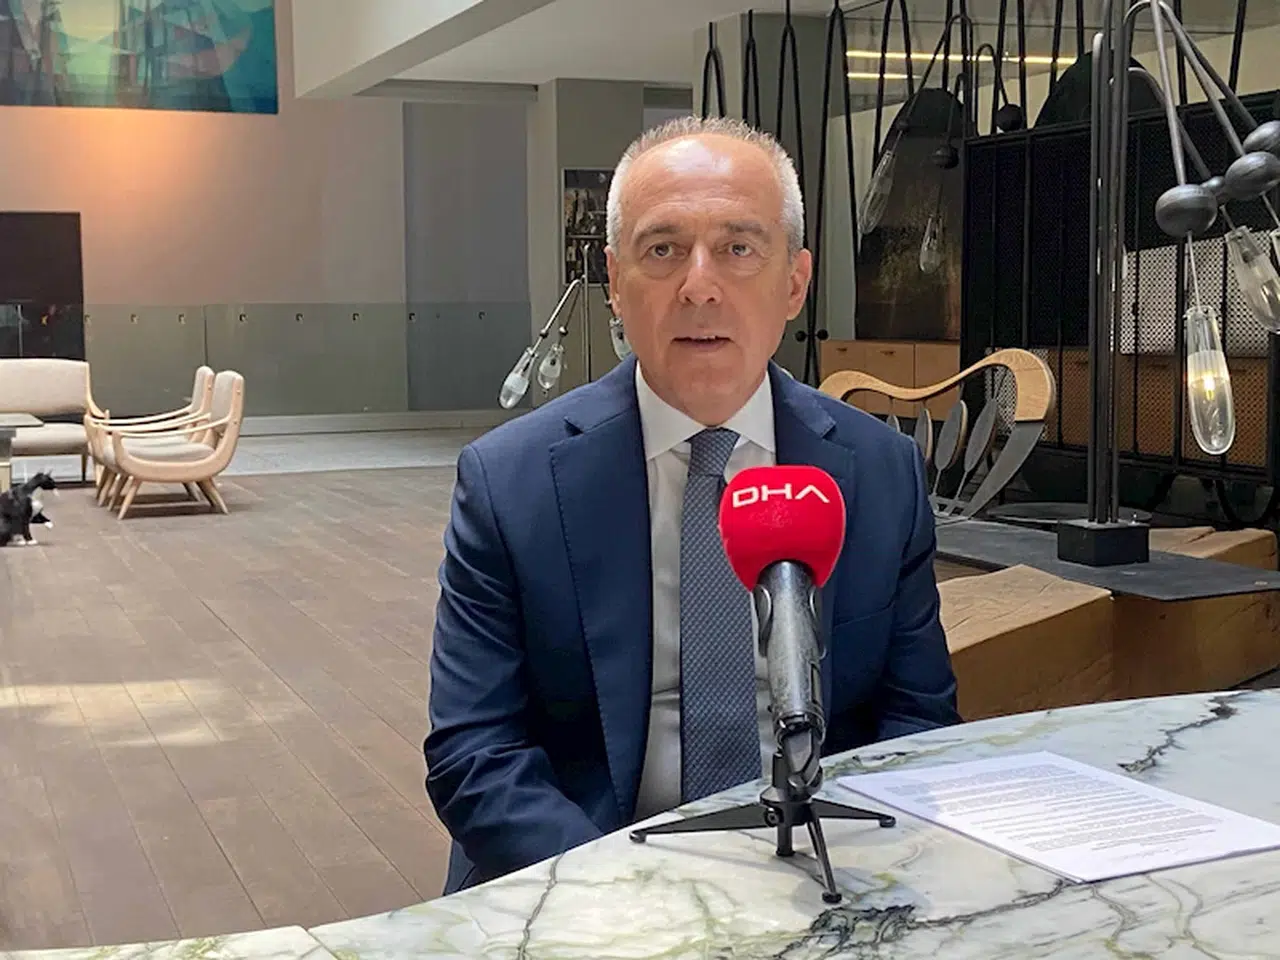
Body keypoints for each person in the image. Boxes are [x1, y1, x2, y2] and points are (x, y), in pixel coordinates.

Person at [424, 116, 961, 895]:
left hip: (820, 874)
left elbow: (917, 721)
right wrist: (633, 899)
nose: (699, 285)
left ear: (795, 283)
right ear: (616, 282)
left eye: (739, 248)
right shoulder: (511, 483)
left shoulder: (879, 473)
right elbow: (475, 754)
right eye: (663, 250)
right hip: (587, 879)